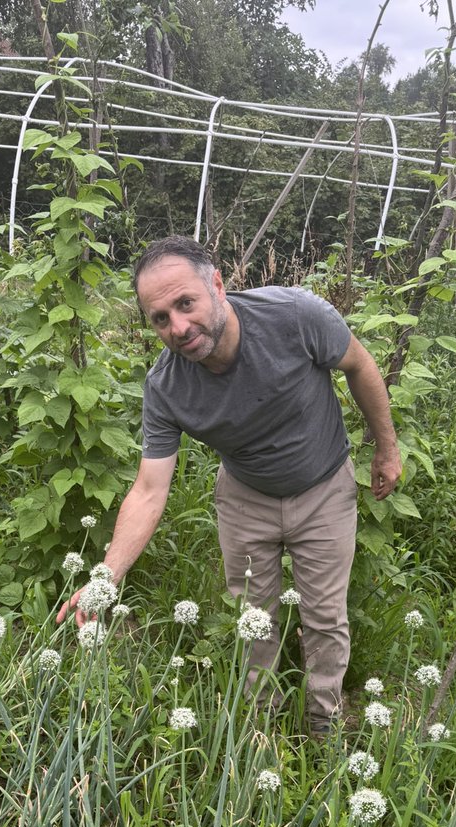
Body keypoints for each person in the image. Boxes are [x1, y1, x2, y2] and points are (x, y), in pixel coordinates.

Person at [57, 235, 402, 732]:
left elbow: (360, 365)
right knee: (252, 619)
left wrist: (387, 449)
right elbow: (150, 490)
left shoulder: (295, 316)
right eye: (160, 318)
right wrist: (106, 577)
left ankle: (323, 721)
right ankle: (258, 724)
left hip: (324, 486)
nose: (178, 327)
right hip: (244, 498)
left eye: (185, 303)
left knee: (325, 617)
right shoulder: (166, 388)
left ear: (217, 285)